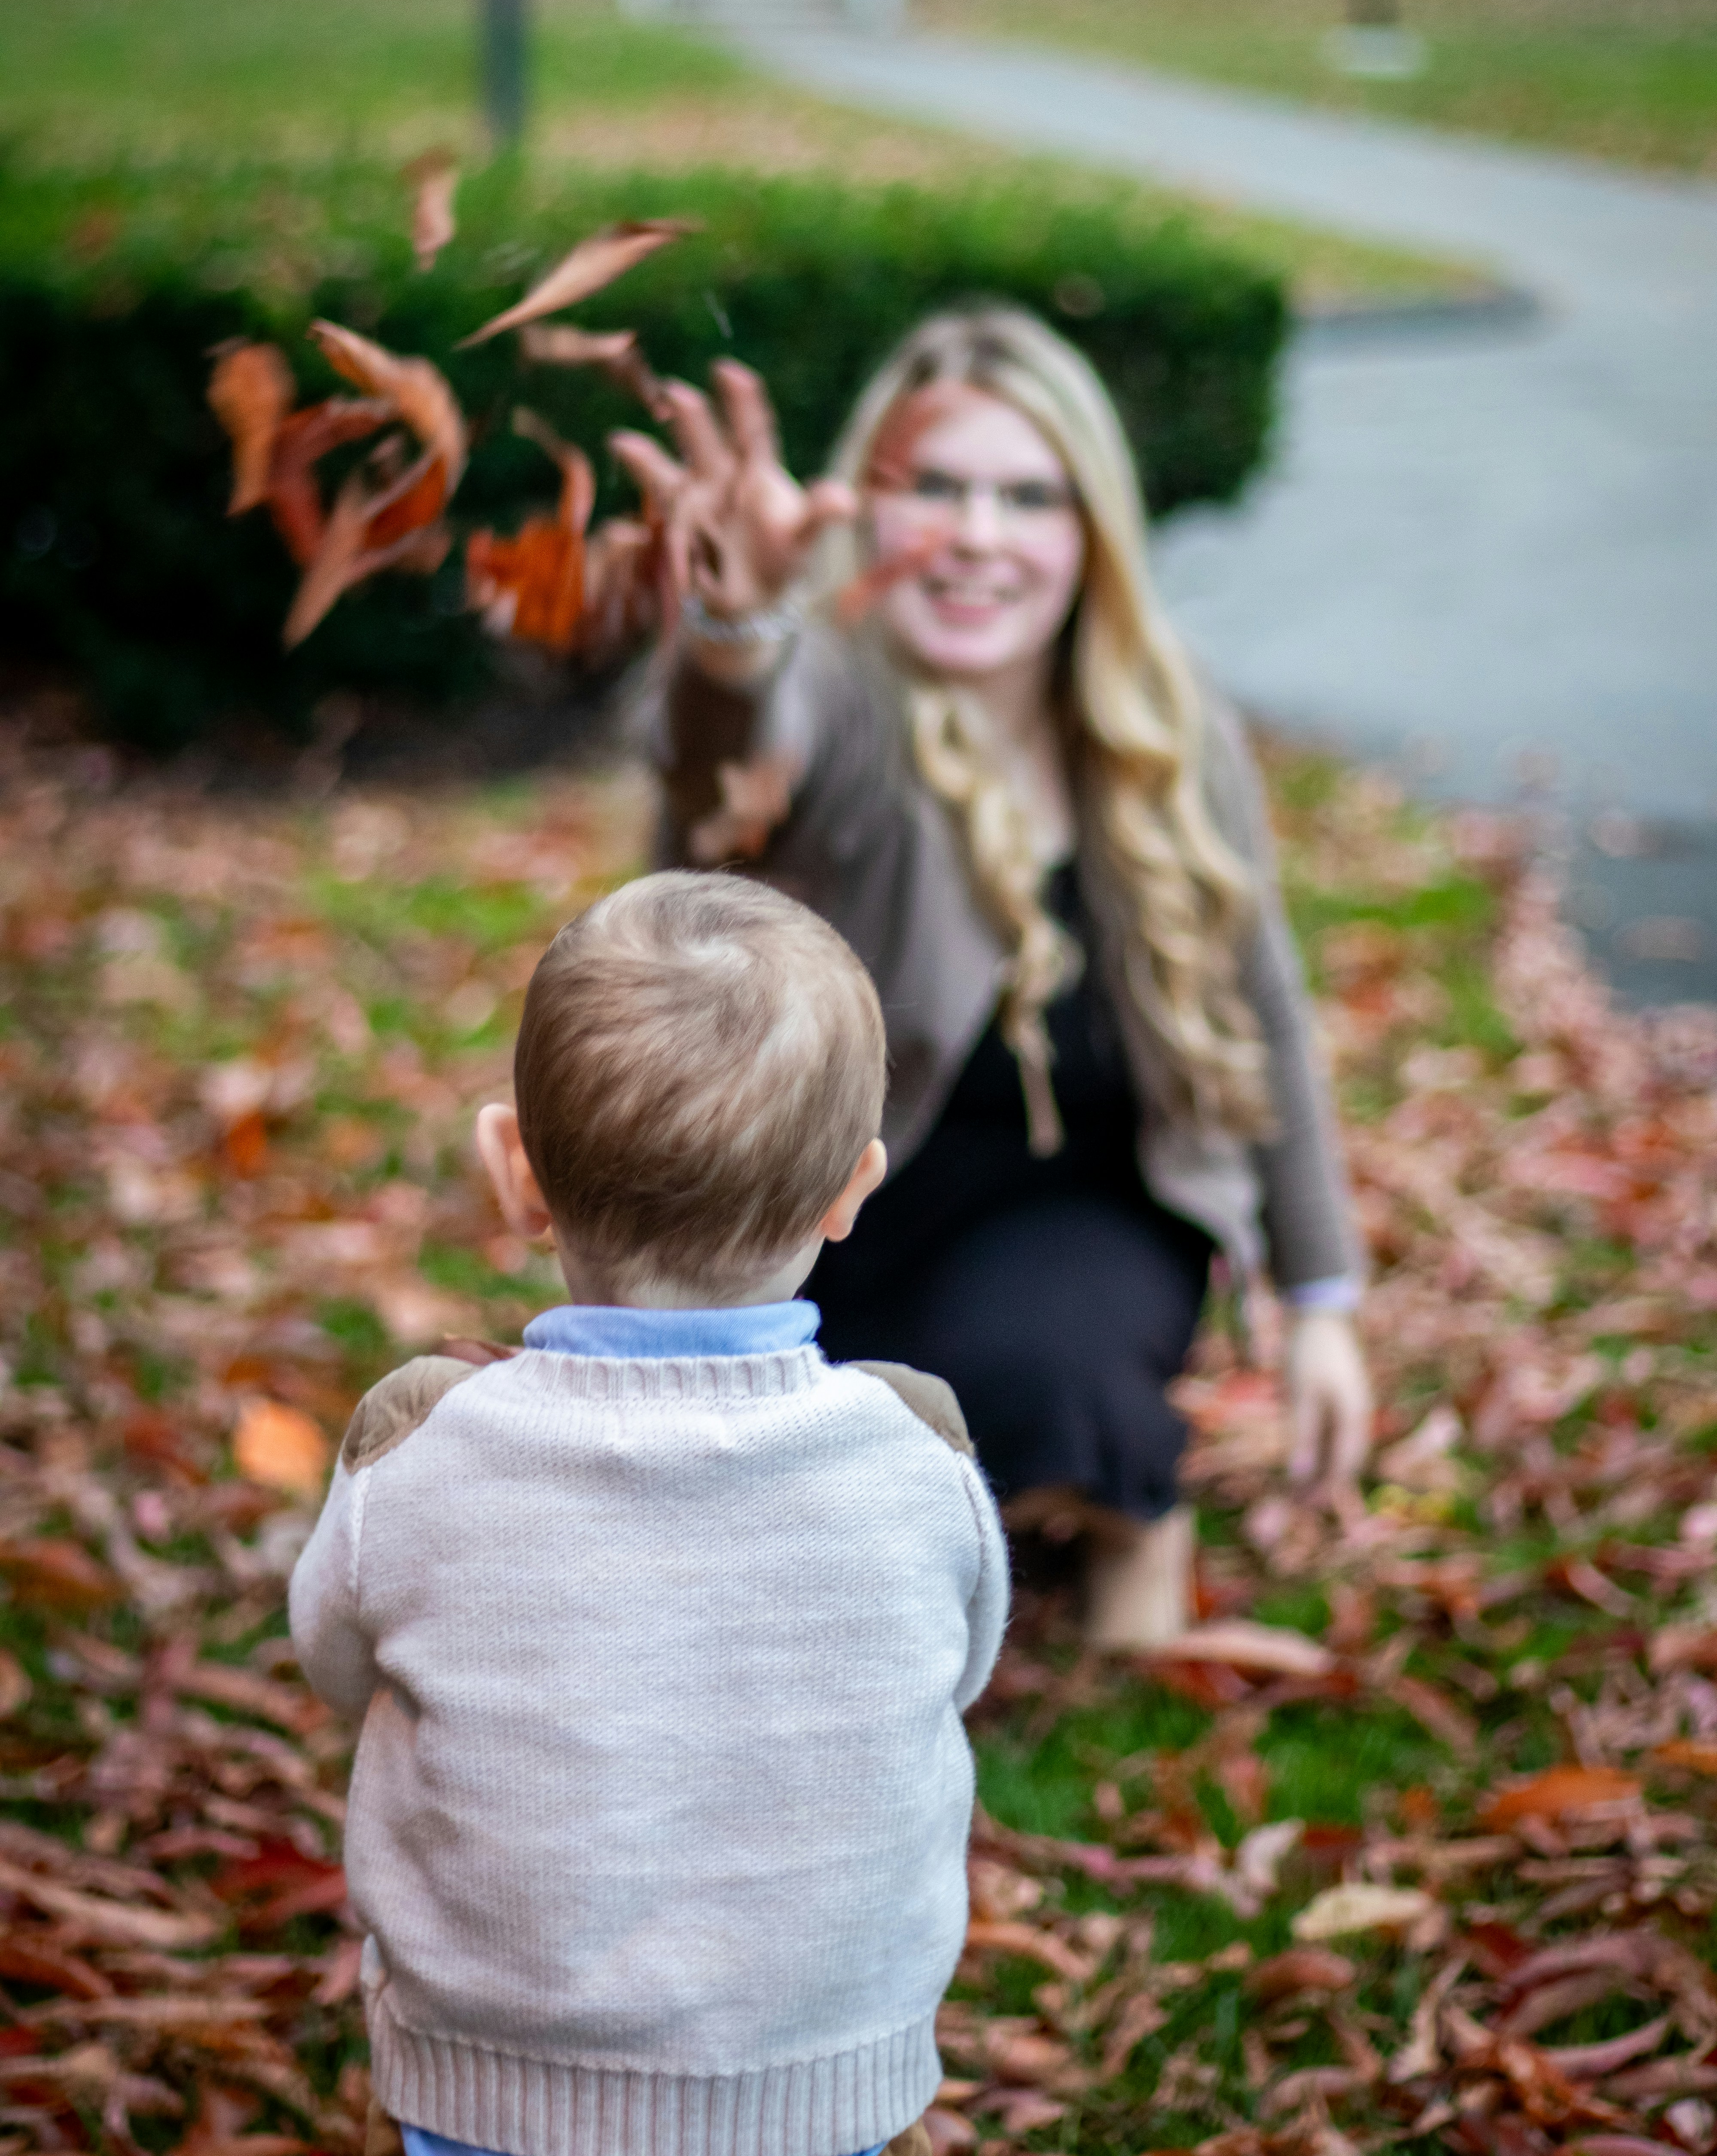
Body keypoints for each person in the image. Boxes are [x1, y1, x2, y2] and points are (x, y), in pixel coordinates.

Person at [611, 305, 1372, 1653]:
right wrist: (732, 630)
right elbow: (717, 765)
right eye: (936, 490)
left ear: (1090, 536)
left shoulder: (1163, 723)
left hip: (1087, 1220)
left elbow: (1265, 1007)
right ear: (871, 514)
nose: (977, 535)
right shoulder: (834, 700)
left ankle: (1128, 1505)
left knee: (1026, 1381)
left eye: (1029, 496)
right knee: (781, 1522)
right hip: (830, 1218)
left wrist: (1321, 1303)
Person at [289, 872, 1009, 2156]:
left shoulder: (423, 1448)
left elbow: (336, 1658)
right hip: (817, 2076)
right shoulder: (917, 1455)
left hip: (492, 2077)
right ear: (854, 1190)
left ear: (515, 1172)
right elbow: (955, 1671)